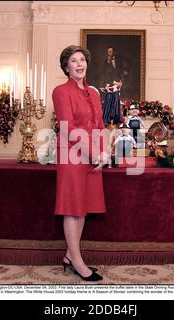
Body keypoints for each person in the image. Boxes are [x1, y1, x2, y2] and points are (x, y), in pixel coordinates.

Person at [52, 45, 109, 282]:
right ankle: (77, 261)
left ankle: (69, 255)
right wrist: (92, 153)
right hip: (72, 156)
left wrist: (103, 154)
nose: (79, 64)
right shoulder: (60, 91)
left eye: (82, 60)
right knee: (73, 208)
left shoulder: (94, 93)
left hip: (93, 156)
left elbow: (100, 125)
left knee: (83, 207)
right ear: (66, 67)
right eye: (74, 61)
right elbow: (67, 128)